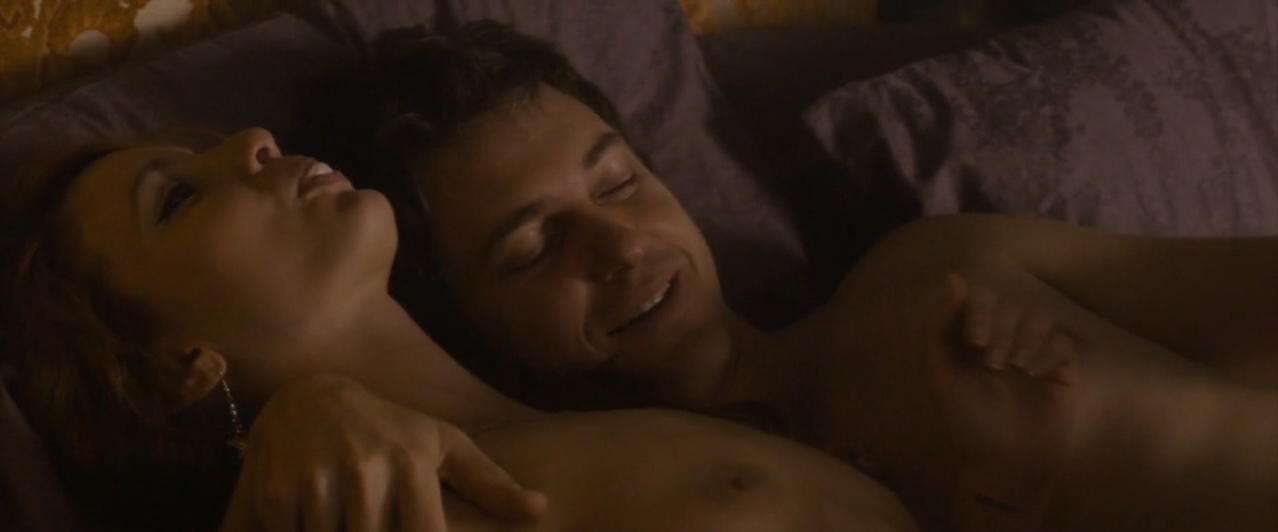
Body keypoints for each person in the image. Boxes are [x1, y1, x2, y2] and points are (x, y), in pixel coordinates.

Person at [352, 20, 1278, 532]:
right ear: (464, 326)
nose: (620, 246)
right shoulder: (604, 500)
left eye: (620, 183)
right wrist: (1007, 484)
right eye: (533, 248)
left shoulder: (937, 271)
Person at [0, 120, 956, 532]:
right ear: (178, 367)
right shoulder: (373, 512)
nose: (251, 142)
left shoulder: (589, 416)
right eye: (176, 199)